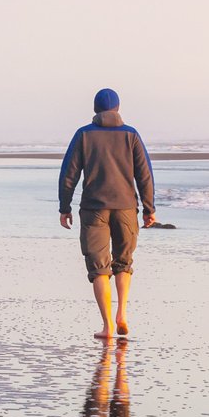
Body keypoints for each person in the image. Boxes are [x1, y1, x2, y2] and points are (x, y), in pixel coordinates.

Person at [58, 87, 157, 339]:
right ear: (117, 109)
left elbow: (69, 173)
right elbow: (144, 174)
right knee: (123, 262)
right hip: (125, 208)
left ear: (95, 109)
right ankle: (122, 313)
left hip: (94, 209)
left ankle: (107, 326)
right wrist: (149, 208)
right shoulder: (131, 135)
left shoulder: (83, 135)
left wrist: (64, 207)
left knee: (99, 267)